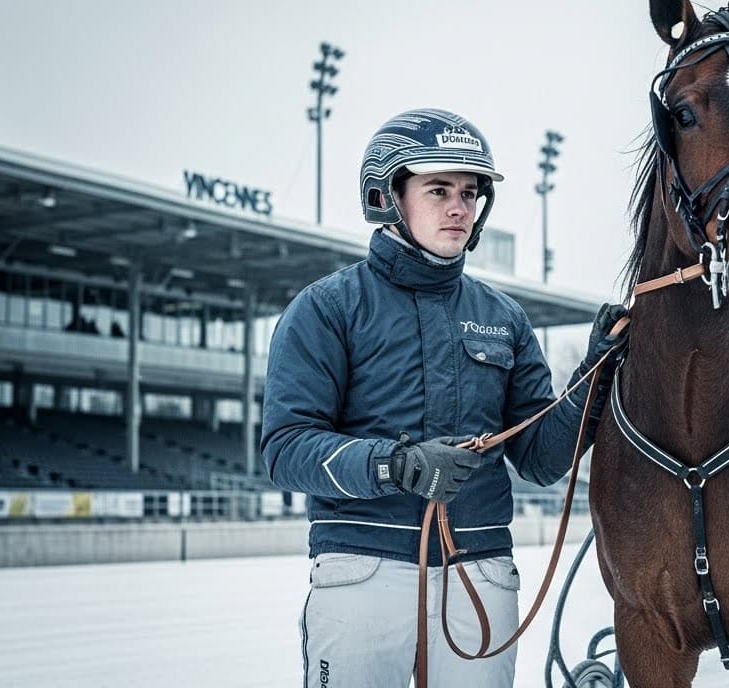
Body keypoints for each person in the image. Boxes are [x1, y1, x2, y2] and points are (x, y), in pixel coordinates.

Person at [261, 108, 625, 688]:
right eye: (438, 190)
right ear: (387, 196)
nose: (459, 207)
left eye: (470, 192)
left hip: (479, 573)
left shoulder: (504, 318)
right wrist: (396, 465)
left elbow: (540, 458)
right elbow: (285, 449)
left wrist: (596, 373)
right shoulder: (326, 308)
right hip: (362, 573)